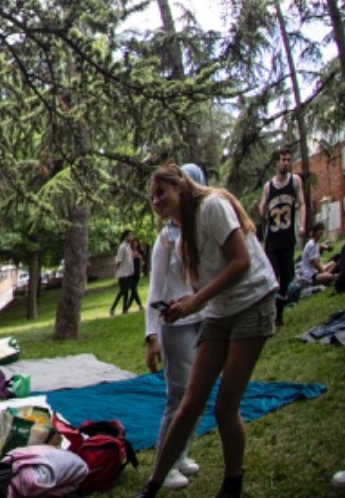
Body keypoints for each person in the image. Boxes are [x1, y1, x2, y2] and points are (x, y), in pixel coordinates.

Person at [134, 164, 280, 498]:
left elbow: (240, 261)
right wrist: (183, 306)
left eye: (161, 193)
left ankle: (232, 483)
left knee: (225, 406)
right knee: (188, 404)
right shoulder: (181, 236)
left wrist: (196, 302)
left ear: (180, 188)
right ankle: (152, 487)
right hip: (219, 313)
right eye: (151, 197)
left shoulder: (211, 207)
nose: (155, 201)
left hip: (252, 302)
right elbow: (202, 282)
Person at [144, 162, 207, 492]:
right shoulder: (165, 240)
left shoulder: (201, 230)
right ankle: (163, 466)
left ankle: (180, 454)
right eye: (153, 195)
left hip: (203, 323)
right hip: (175, 327)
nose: (157, 200)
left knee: (195, 395)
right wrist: (151, 335)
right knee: (177, 397)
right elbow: (155, 291)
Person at [258, 147, 305, 320]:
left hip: (288, 239)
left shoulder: (295, 181)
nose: (286, 163)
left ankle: (279, 312)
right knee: (273, 276)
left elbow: (302, 203)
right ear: (276, 162)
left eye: (288, 160)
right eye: (283, 160)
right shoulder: (268, 187)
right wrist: (258, 209)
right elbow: (262, 213)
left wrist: (302, 225)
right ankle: (271, 313)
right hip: (272, 241)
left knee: (287, 276)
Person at [112, 229, 143, 314]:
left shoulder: (128, 246)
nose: (131, 237)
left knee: (126, 293)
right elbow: (118, 261)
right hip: (123, 273)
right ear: (126, 237)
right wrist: (116, 272)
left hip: (129, 273)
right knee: (122, 291)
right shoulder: (122, 247)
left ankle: (124, 309)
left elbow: (129, 260)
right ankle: (112, 308)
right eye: (130, 235)